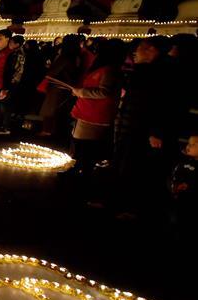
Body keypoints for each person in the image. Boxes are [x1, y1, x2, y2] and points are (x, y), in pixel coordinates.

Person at [112, 36, 171, 217]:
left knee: (133, 165)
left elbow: (161, 105)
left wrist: (155, 131)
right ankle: (118, 202)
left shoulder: (159, 73)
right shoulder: (144, 71)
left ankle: (130, 207)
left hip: (141, 128)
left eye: (138, 49)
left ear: (152, 50)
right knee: (124, 162)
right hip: (131, 124)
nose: (134, 54)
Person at [67, 39, 125, 184]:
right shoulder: (104, 68)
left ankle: (82, 174)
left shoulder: (110, 70)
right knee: (81, 144)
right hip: (87, 111)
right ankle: (79, 170)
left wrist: (81, 91)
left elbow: (104, 92)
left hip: (95, 114)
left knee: (86, 146)